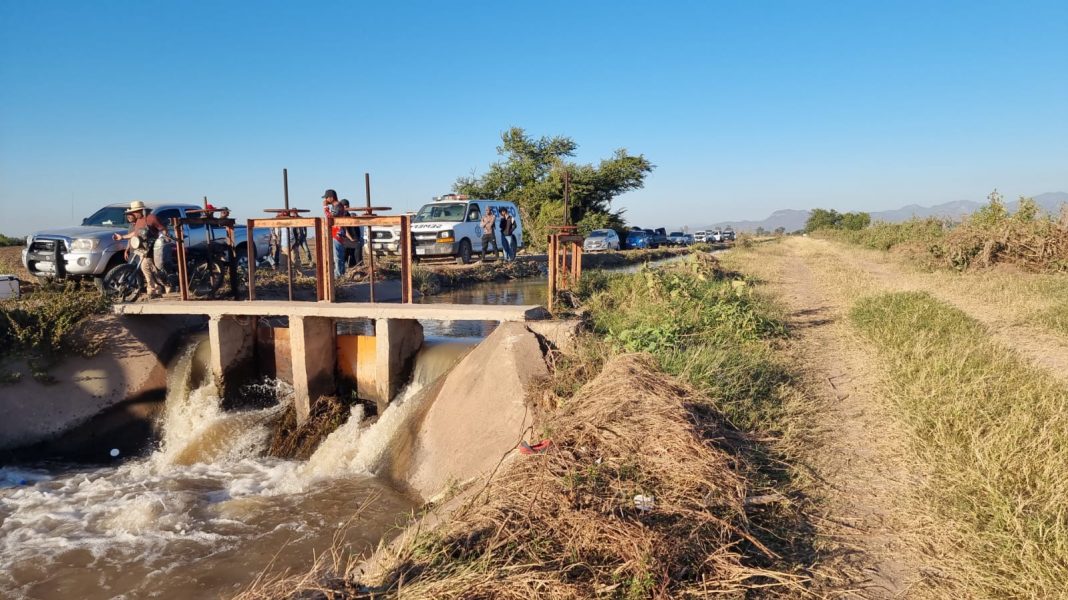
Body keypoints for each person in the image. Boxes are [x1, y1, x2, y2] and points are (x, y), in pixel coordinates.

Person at [112, 200, 170, 298]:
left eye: (135, 212)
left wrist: (163, 238)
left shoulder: (151, 218)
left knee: (150, 268)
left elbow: (163, 229)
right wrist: (122, 237)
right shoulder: (139, 221)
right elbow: (135, 234)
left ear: (141, 210)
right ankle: (154, 289)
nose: (133, 214)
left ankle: (162, 285)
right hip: (142, 248)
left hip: (152, 248)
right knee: (145, 268)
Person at [322, 189, 346, 278]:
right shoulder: (336, 206)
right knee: (339, 254)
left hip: (337, 233)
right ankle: (341, 273)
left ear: (331, 197)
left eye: (326, 198)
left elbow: (330, 217)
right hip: (337, 232)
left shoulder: (337, 206)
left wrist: (325, 207)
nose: (325, 200)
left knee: (337, 255)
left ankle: (338, 275)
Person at [339, 199, 363, 268]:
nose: (346, 207)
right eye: (344, 206)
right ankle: (359, 266)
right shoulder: (341, 216)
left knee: (354, 251)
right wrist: (351, 238)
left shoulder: (348, 215)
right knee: (357, 246)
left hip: (351, 239)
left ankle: (355, 267)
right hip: (345, 239)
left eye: (347, 206)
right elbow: (345, 230)